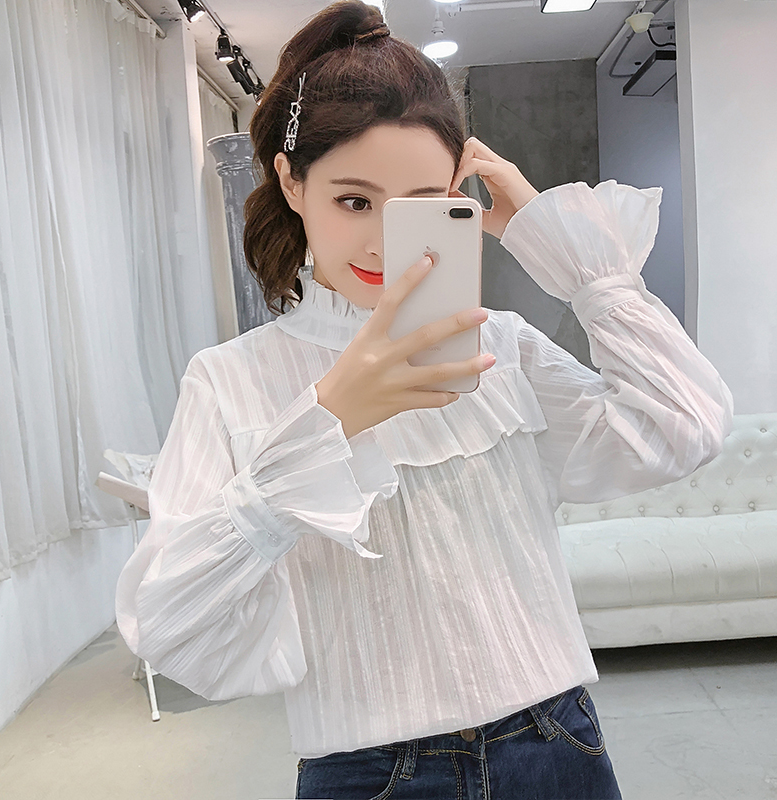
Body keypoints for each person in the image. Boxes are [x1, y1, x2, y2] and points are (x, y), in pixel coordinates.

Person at [115, 2, 734, 798]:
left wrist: (562, 246)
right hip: (367, 773)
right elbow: (166, 622)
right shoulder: (230, 379)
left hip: (554, 745)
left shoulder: (499, 346)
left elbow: (684, 427)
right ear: (292, 181)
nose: (383, 240)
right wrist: (326, 423)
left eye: (419, 204)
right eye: (353, 200)